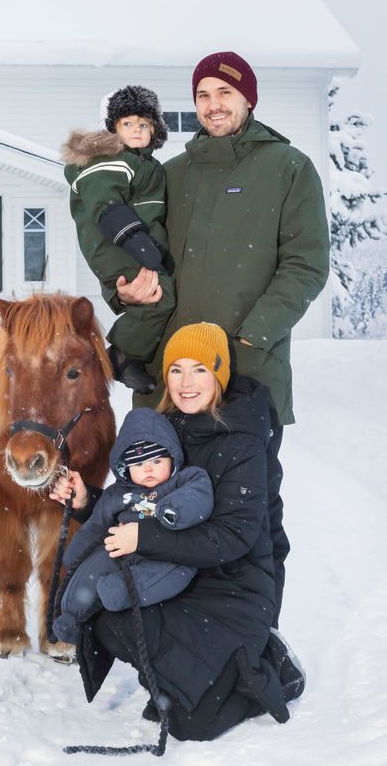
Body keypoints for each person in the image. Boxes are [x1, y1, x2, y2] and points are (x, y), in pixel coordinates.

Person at [116, 52, 330, 622]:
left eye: (225, 93)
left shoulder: (288, 167)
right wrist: (127, 296)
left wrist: (249, 342)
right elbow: (143, 263)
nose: (213, 105)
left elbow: (306, 265)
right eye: (203, 94)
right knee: (162, 512)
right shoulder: (173, 174)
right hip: (172, 380)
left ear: (248, 99)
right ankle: (176, 647)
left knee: (248, 518)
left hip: (246, 381)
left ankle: (254, 638)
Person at [52, 322, 305, 745]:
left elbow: (234, 537)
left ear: (220, 374)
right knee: (109, 616)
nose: (186, 383)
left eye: (200, 370)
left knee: (194, 726)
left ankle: (265, 667)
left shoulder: (241, 439)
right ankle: (180, 683)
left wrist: (143, 540)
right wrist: (87, 502)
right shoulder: (167, 427)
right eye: (176, 370)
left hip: (232, 586)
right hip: (176, 569)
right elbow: (140, 501)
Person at [51, 408, 213, 645]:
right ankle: (72, 617)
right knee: (89, 572)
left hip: (168, 554)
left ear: (172, 459)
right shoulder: (118, 493)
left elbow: (198, 496)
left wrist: (174, 511)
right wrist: (75, 556)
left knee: (164, 576)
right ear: (126, 468)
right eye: (139, 464)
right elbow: (97, 524)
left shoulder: (184, 480)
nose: (148, 469)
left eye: (157, 461)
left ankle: (121, 593)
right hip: (121, 549)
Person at [61, 85, 174, 394]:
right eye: (127, 124)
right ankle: (120, 355)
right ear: (112, 129)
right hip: (114, 245)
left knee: (158, 297)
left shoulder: (143, 164)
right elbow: (105, 204)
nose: (136, 131)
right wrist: (133, 238)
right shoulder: (109, 159)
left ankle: (130, 356)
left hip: (130, 245)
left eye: (144, 125)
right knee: (160, 296)